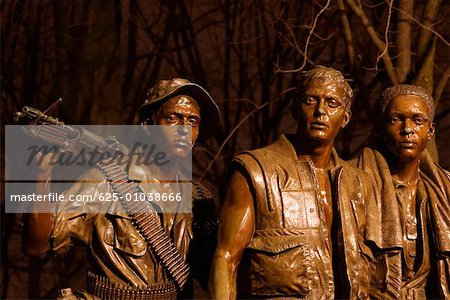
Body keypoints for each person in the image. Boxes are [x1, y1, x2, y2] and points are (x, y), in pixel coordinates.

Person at [22, 78, 220, 299]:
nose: (183, 129)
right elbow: (36, 245)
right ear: (148, 124)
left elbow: (215, 272)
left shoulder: (199, 199)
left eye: (193, 121)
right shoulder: (105, 180)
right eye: (172, 118)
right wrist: (41, 176)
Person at [210, 66, 379, 299]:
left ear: (346, 118)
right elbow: (226, 258)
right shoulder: (256, 170)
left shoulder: (360, 184)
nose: (320, 111)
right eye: (310, 100)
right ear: (295, 108)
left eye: (332, 103)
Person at [351, 84, 450, 299]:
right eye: (396, 119)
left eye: (418, 120)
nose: (407, 129)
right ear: (380, 129)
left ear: (430, 130)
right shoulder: (352, 180)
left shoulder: (446, 188)